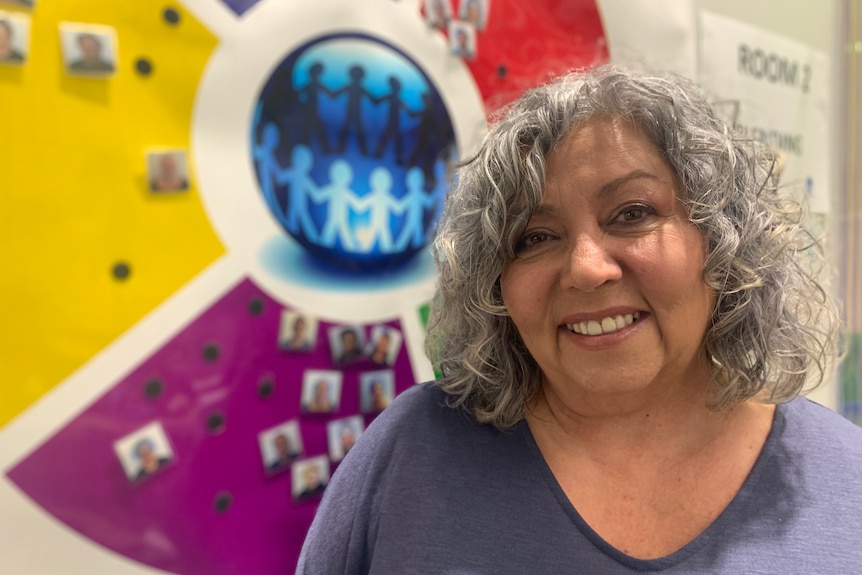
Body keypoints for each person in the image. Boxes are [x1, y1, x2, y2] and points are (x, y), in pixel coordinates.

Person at [297, 66, 862, 573]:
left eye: (633, 214)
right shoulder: (410, 455)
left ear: (723, 242)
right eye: (534, 237)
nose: (586, 269)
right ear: (494, 284)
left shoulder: (848, 487)